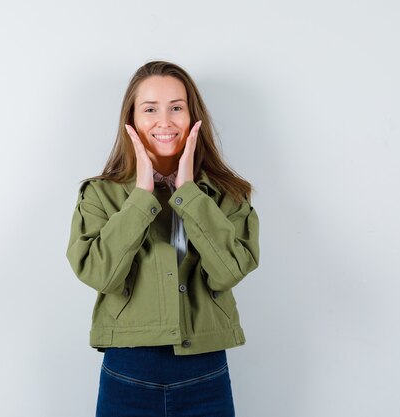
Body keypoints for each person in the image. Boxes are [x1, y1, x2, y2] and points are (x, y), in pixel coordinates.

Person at [66, 60, 260, 417]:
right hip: (128, 373)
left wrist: (188, 192)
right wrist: (141, 195)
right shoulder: (99, 195)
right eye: (150, 109)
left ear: (192, 116)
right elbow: (100, 275)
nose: (165, 121)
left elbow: (228, 271)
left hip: (206, 374)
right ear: (132, 120)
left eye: (176, 108)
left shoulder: (229, 194)